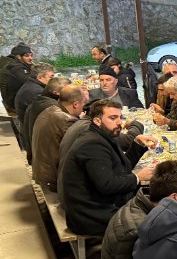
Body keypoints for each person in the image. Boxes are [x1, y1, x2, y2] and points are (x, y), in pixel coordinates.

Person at [57, 100, 155, 236]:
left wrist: (137, 145)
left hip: (98, 205)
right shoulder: (92, 144)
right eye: (113, 118)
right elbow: (107, 185)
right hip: (91, 215)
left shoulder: (102, 135)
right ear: (97, 121)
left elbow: (122, 168)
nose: (119, 122)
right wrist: (138, 177)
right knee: (156, 221)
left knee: (153, 202)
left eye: (120, 117)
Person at [31, 85, 87, 191]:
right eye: (83, 103)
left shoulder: (50, 109)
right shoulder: (67, 120)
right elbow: (80, 149)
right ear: (75, 104)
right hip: (53, 178)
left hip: (42, 172)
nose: (83, 107)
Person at [24, 76, 71, 162]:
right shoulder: (54, 108)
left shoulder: (39, 101)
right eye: (68, 92)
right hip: (46, 158)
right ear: (56, 92)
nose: (71, 94)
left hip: (35, 153)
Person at [14, 62, 55, 135]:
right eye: (51, 77)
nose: (54, 80)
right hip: (30, 131)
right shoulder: (37, 92)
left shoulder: (32, 84)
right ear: (40, 77)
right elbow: (53, 111)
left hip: (27, 125)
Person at [0, 43, 33, 113]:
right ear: (19, 57)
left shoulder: (12, 64)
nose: (30, 58)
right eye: (27, 56)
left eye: (31, 55)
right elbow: (29, 82)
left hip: (11, 99)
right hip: (13, 103)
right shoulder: (15, 68)